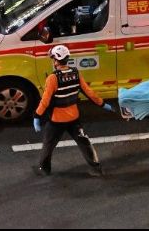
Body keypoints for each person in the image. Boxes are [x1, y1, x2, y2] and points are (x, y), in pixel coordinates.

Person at [33, 45, 115, 177]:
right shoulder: (76, 73)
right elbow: (89, 93)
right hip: (73, 118)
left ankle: (45, 169)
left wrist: (37, 116)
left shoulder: (53, 78)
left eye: (53, 58)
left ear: (56, 60)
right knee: (84, 142)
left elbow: (45, 101)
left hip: (56, 120)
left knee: (48, 145)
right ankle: (96, 168)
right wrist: (103, 104)